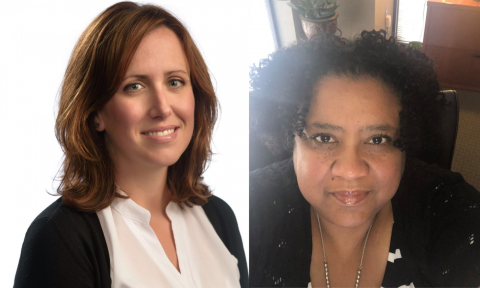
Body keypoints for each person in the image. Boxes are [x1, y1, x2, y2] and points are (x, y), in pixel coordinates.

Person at [14, 2, 247, 288]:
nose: (162, 108)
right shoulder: (60, 237)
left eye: (175, 82)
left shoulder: (218, 216)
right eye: (134, 86)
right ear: (95, 112)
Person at [249, 30, 480, 287]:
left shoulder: (446, 210)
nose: (350, 170)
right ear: (289, 141)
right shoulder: (248, 208)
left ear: (406, 143)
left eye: (378, 139)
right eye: (324, 138)